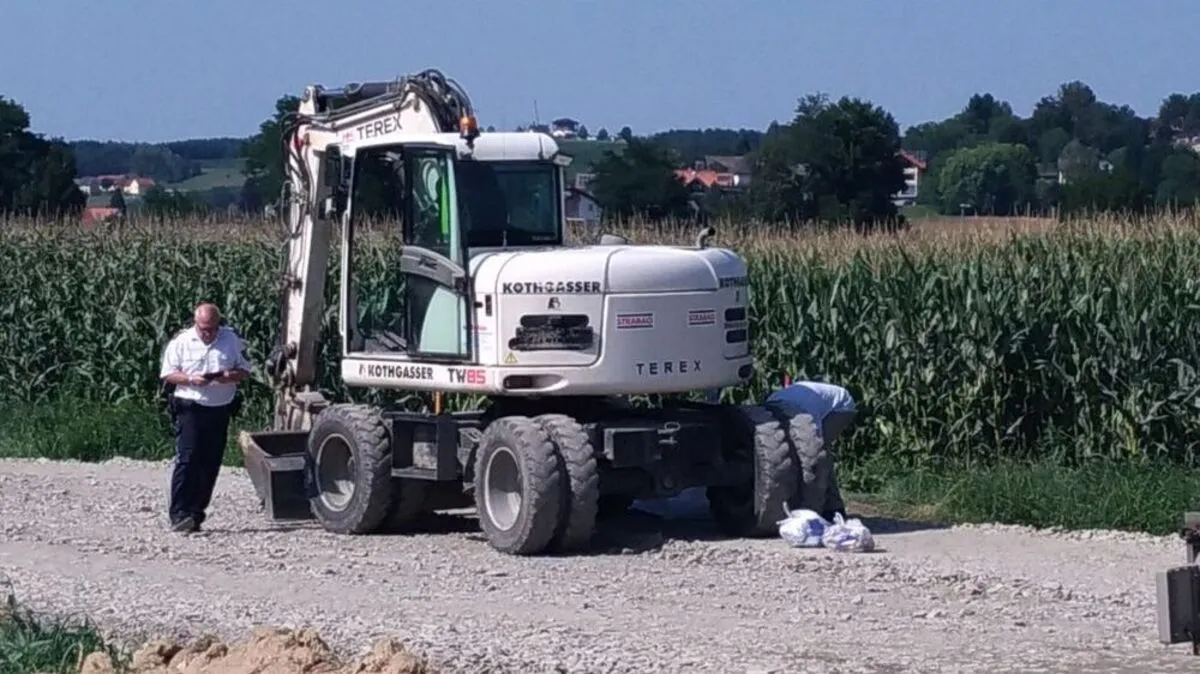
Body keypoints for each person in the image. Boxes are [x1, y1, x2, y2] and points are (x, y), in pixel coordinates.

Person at [158, 303, 252, 533]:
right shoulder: (181, 342)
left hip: (219, 408)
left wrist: (231, 376)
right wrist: (190, 379)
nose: (208, 334)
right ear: (195, 323)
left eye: (212, 329)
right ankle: (179, 513)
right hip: (190, 406)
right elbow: (168, 374)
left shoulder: (231, 340)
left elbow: (246, 369)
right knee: (188, 459)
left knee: (210, 463)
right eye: (203, 329)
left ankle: (196, 513)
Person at [766, 380, 857, 520]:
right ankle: (832, 507)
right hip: (811, 401)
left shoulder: (805, 413)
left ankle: (831, 508)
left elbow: (815, 443)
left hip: (840, 406)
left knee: (820, 457)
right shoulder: (773, 403)